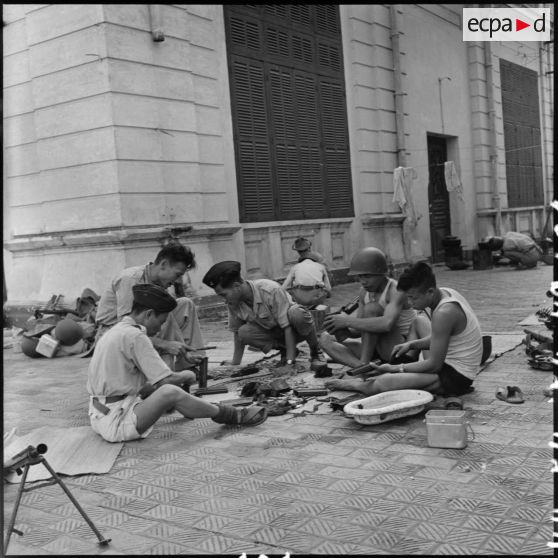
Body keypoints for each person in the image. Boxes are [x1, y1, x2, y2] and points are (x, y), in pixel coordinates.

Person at [87, 283, 267, 442]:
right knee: (169, 391)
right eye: (161, 321)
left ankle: (190, 407)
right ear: (149, 314)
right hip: (116, 421)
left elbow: (136, 384)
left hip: (98, 414)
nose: (159, 329)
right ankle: (232, 415)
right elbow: (164, 382)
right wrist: (187, 375)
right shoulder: (135, 336)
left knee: (159, 386)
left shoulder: (116, 330)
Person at [325, 261, 483, 397]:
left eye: (413, 297)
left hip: (456, 376)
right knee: (418, 321)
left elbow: (434, 365)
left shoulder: (444, 312)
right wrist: (412, 345)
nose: (409, 302)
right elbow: (440, 337)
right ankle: (398, 372)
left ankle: (356, 386)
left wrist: (395, 368)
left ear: (430, 291)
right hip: (446, 365)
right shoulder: (445, 293)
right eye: (407, 297)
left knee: (383, 382)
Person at [95, 243, 205, 370]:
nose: (178, 280)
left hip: (139, 327)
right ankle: (164, 375)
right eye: (177, 274)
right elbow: (125, 328)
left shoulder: (161, 283)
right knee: (162, 315)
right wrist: (165, 344)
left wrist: (183, 349)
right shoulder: (130, 279)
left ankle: (190, 363)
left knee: (185, 304)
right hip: (112, 333)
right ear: (163, 264)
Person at [202, 261, 326, 370]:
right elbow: (236, 333)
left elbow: (287, 328)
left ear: (236, 286)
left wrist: (289, 364)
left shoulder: (270, 289)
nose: (224, 299)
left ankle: (315, 351)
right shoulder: (233, 302)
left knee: (296, 313)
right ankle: (286, 350)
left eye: (224, 295)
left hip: (296, 330)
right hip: (277, 334)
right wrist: (235, 362)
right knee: (244, 332)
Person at [320, 247, 416, 368]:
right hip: (376, 350)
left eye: (367, 276)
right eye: (360, 277)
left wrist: (346, 321)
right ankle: (364, 368)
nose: (363, 281)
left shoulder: (395, 290)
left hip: (400, 351)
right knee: (325, 338)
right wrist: (342, 329)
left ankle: (364, 364)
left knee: (372, 308)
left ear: (381, 273)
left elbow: (386, 324)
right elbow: (361, 331)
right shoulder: (363, 292)